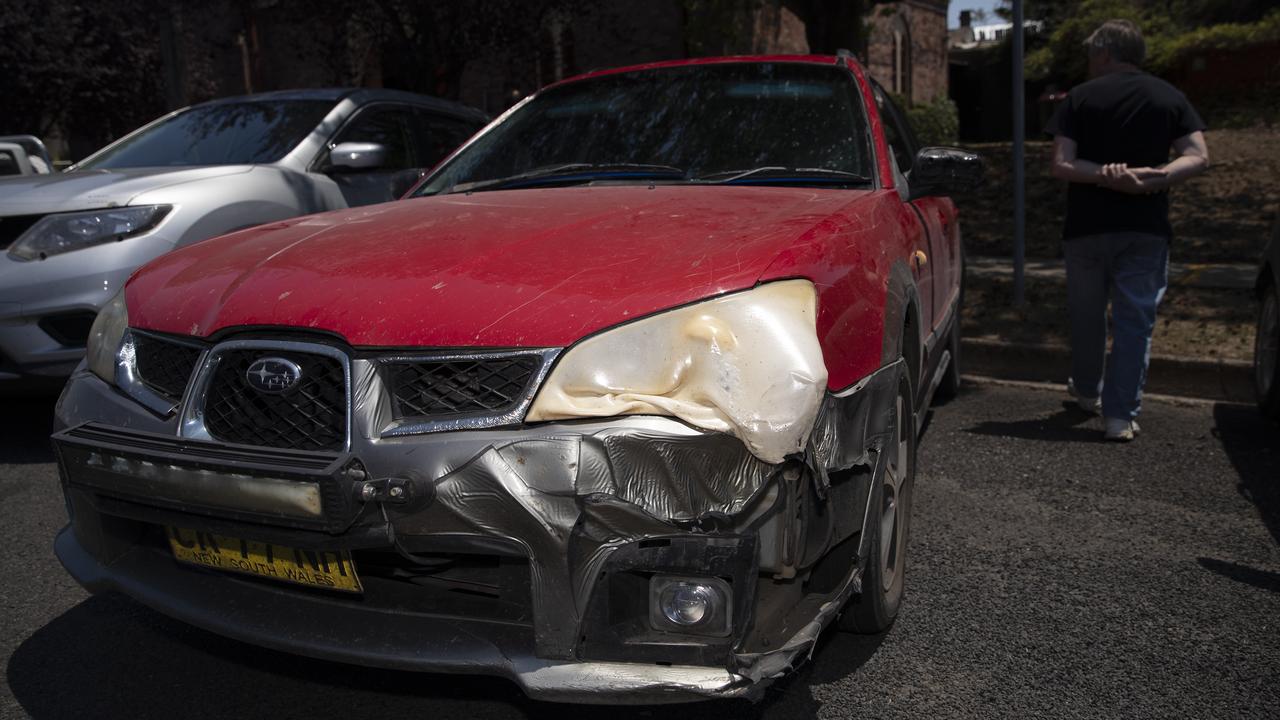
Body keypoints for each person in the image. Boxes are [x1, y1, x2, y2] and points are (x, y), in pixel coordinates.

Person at [1046, 19, 1209, 442]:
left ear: (1104, 53)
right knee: (1135, 321)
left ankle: (1086, 392)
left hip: (1086, 228)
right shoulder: (1169, 96)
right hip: (1145, 227)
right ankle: (1119, 416)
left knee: (1086, 318)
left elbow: (1062, 164)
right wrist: (1154, 178)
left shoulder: (1079, 98)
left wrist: (1104, 174)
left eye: (1090, 54)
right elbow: (1197, 156)